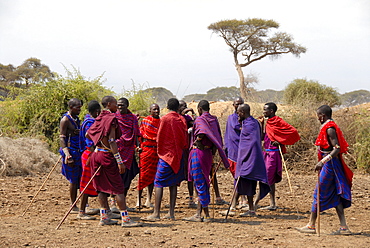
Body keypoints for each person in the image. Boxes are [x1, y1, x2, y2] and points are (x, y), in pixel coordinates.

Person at [296, 105, 353, 235]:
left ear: (322, 116)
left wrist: (322, 161)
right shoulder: (328, 126)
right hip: (331, 164)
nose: (318, 118)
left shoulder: (330, 129)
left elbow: (337, 148)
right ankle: (344, 227)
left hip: (330, 165)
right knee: (335, 194)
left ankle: (311, 226)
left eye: (318, 116)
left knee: (319, 192)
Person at [87, 96, 141, 227]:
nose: (117, 106)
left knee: (100, 188)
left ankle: (104, 217)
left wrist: (99, 145)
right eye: (115, 104)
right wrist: (119, 161)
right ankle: (126, 220)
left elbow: (88, 134)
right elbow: (112, 141)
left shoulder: (99, 117)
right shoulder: (112, 119)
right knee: (118, 188)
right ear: (109, 104)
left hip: (96, 155)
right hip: (107, 156)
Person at [141, 98, 187, 221]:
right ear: (178, 108)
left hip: (166, 155)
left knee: (158, 182)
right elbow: (184, 138)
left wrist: (161, 150)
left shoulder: (165, 119)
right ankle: (171, 213)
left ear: (167, 107)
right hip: (178, 156)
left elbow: (159, 137)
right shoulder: (181, 119)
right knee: (173, 184)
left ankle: (156, 213)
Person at [184, 100, 229, 222]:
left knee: (199, 182)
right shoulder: (214, 120)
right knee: (203, 182)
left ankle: (206, 215)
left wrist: (198, 139)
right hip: (208, 154)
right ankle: (199, 212)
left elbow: (202, 132)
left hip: (198, 153)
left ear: (199, 109)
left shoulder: (200, 120)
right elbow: (217, 137)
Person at [221, 104, 270, 217]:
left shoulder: (249, 125)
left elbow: (250, 144)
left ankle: (245, 209)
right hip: (248, 158)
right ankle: (239, 208)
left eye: (238, 113)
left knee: (245, 181)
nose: (237, 115)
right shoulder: (253, 123)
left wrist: (243, 159)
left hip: (249, 159)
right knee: (243, 182)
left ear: (243, 112)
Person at [254, 102, 300, 210]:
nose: (263, 111)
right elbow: (262, 138)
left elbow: (293, 131)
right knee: (270, 179)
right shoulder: (267, 122)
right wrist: (261, 125)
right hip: (265, 153)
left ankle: (255, 204)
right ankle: (272, 203)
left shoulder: (278, 121)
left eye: (265, 110)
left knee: (266, 178)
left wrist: (280, 141)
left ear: (271, 111)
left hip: (273, 154)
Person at [109, 98, 140, 212]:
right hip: (117, 151)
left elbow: (136, 133)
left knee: (127, 177)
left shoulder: (132, 118)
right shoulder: (114, 117)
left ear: (127, 105)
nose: (120, 107)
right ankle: (113, 202)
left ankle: (123, 202)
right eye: (118, 105)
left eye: (122, 105)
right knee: (115, 177)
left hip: (129, 151)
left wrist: (138, 146)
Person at [77, 100, 101, 220]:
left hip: (91, 154)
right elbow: (91, 142)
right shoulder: (90, 123)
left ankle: (104, 210)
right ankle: (81, 211)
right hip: (90, 154)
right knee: (87, 181)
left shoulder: (89, 120)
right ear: (97, 111)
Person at [59, 98, 83, 213]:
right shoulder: (65, 120)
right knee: (73, 180)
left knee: (80, 178)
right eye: (77, 107)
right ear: (71, 107)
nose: (80, 109)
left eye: (80, 107)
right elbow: (62, 137)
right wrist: (67, 154)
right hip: (71, 152)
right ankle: (73, 205)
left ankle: (83, 204)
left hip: (78, 151)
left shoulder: (76, 119)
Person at [224, 97, 247, 208]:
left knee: (242, 175)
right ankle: (240, 199)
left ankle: (242, 199)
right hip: (233, 150)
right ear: (233, 105)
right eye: (237, 104)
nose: (238, 106)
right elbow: (231, 130)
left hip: (244, 151)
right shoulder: (232, 118)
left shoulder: (247, 120)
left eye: (241, 104)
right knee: (237, 175)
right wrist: (225, 147)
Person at [137, 103, 161, 208]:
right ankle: (138, 200)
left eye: (158, 109)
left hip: (156, 152)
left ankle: (148, 200)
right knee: (142, 176)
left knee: (153, 177)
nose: (156, 111)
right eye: (154, 109)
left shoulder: (161, 122)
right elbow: (139, 135)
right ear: (150, 111)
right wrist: (138, 147)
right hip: (146, 151)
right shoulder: (145, 121)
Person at [178, 100, 197, 208]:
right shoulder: (175, 118)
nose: (184, 108)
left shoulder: (188, 118)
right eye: (182, 106)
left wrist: (193, 112)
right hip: (179, 150)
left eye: (185, 106)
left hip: (188, 150)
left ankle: (191, 198)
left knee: (190, 175)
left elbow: (196, 123)